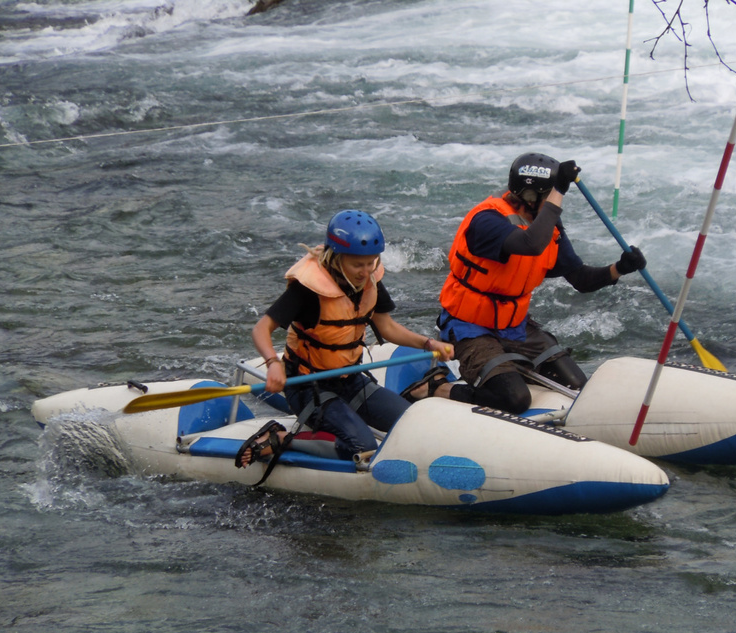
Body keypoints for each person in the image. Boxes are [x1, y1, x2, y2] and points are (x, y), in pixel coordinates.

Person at [404, 152, 646, 414]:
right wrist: (560, 188)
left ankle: (511, 368)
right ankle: (437, 388)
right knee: (514, 400)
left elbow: (581, 279)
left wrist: (620, 268)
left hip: (514, 326)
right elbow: (529, 244)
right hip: (470, 326)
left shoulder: (548, 226)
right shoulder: (487, 220)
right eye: (551, 195)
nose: (556, 202)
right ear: (532, 196)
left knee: (576, 383)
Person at [236, 209, 454, 470]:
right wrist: (273, 363)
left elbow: (387, 327)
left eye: (371, 262)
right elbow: (261, 329)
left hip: (350, 379)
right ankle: (280, 438)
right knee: (362, 447)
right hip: (307, 386)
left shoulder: (369, 278)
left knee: (412, 423)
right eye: (357, 265)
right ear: (336, 258)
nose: (365, 272)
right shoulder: (307, 289)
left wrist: (429, 344)